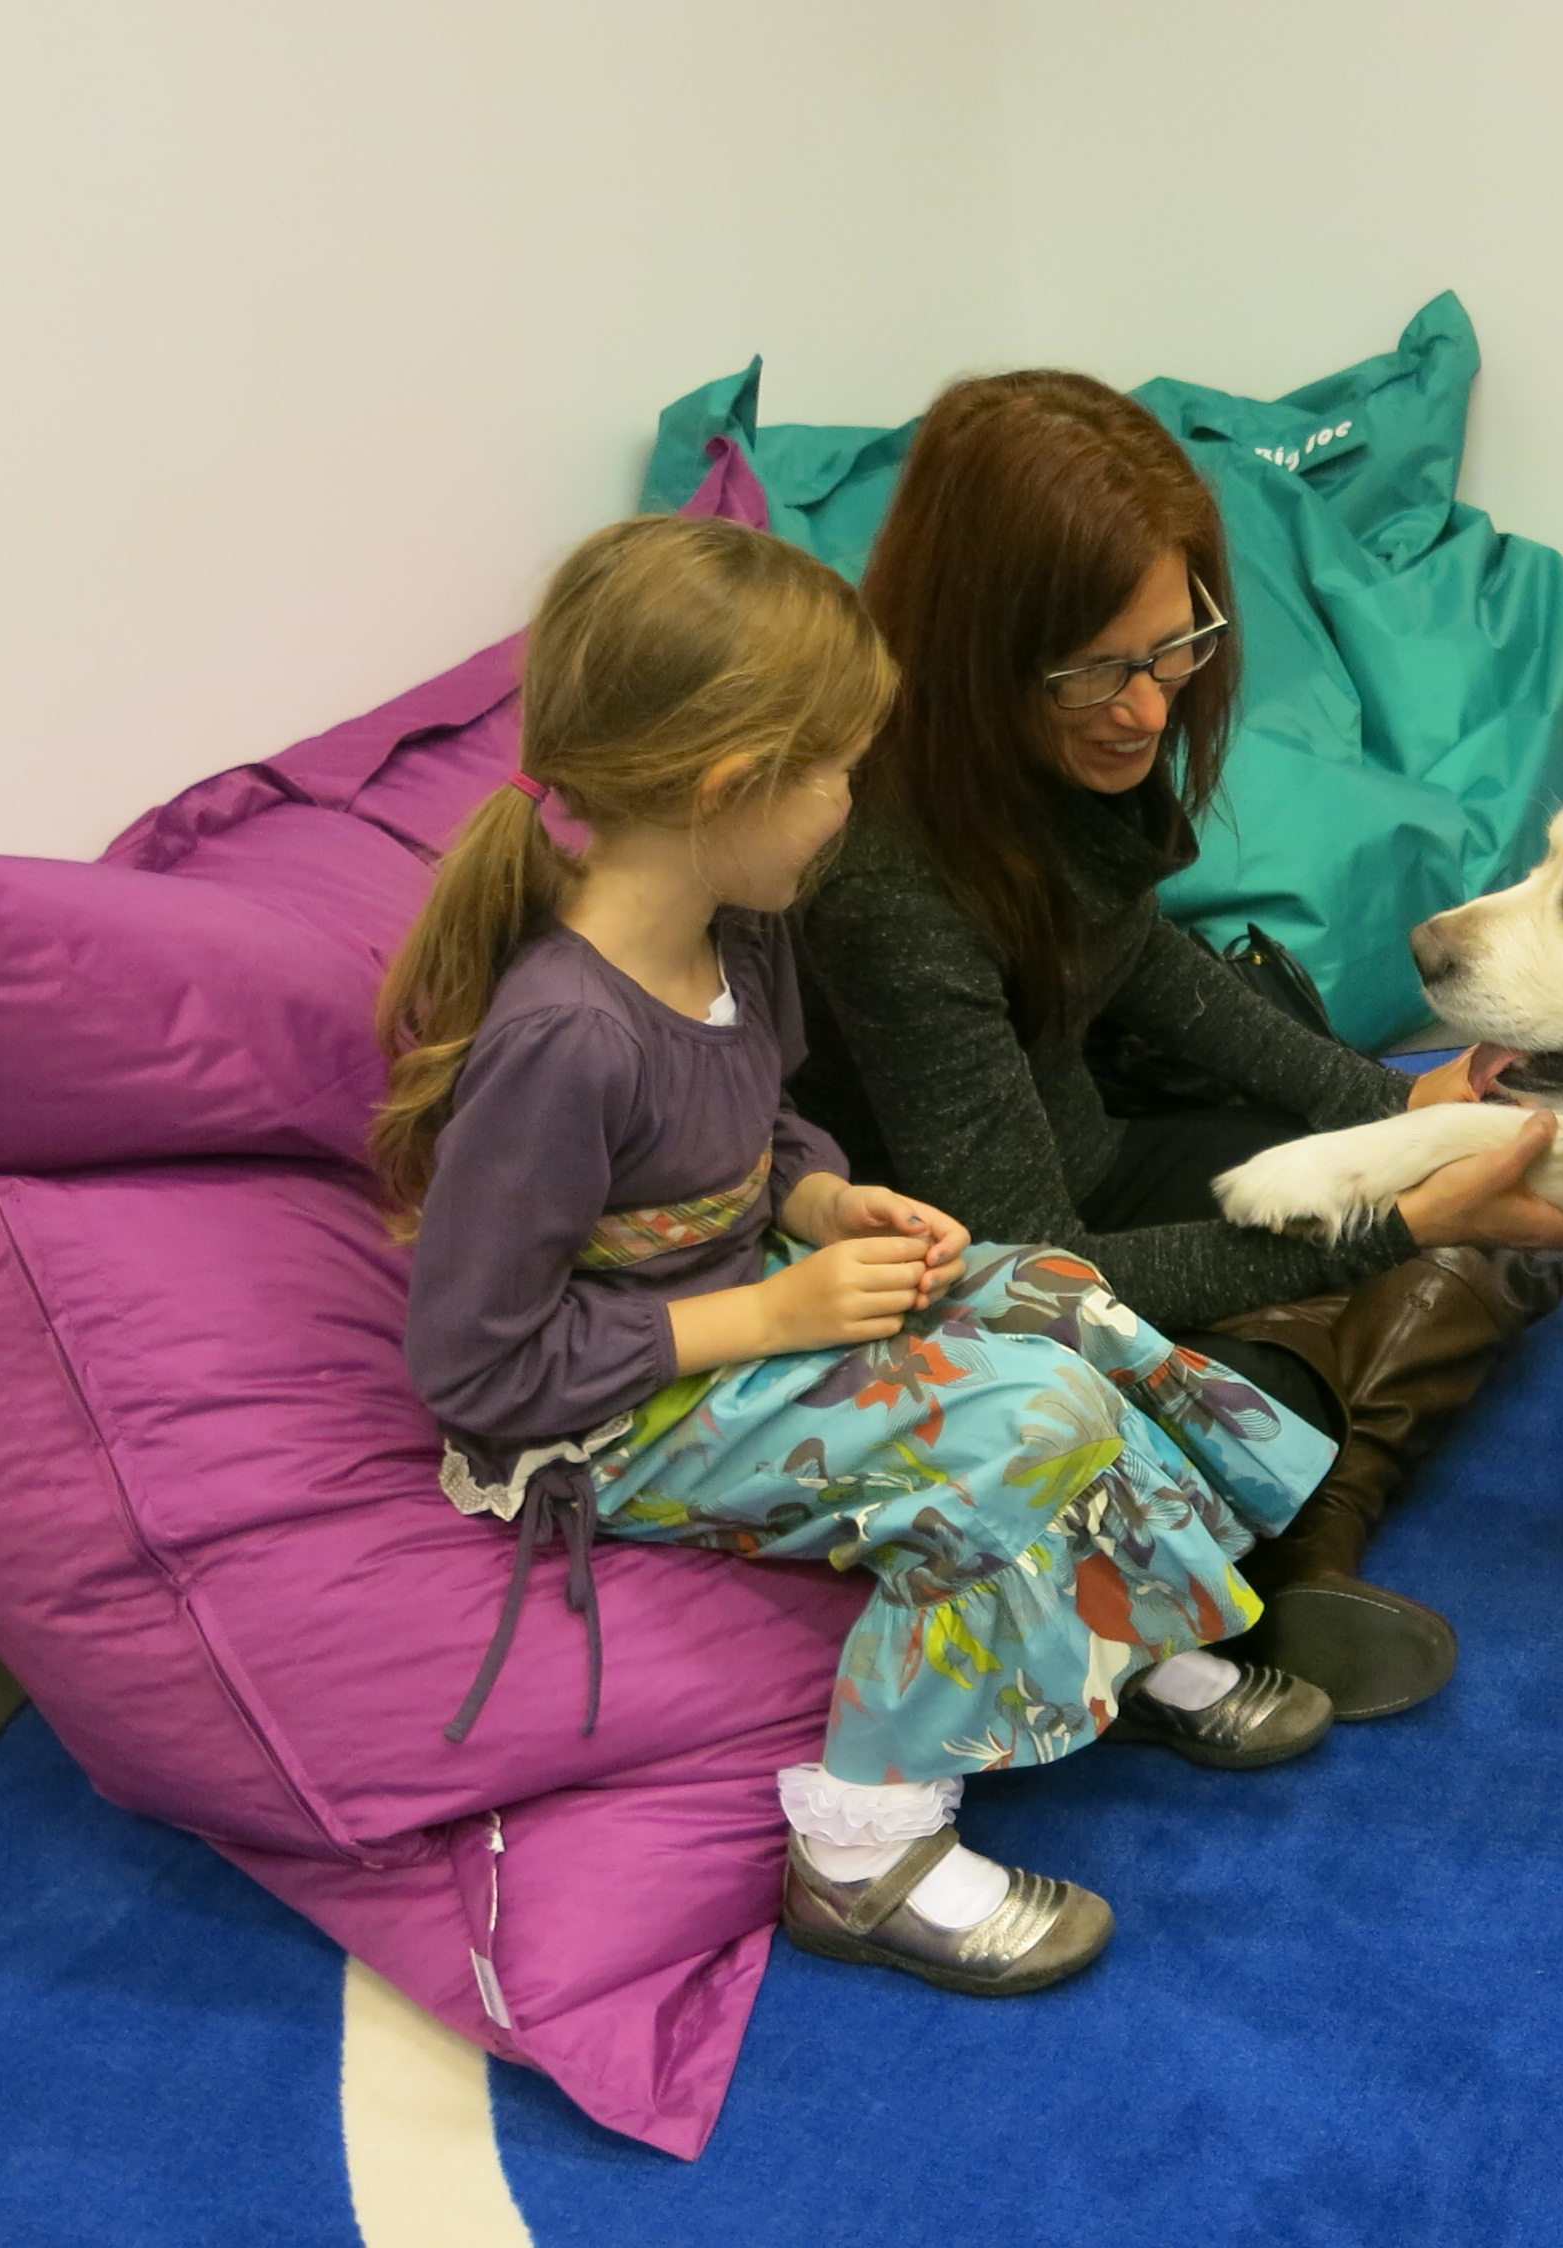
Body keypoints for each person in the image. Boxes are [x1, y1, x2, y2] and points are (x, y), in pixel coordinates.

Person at [376, 513, 1344, 2001]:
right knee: (1028, 1423)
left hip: (748, 1309)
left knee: (1056, 1295)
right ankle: (860, 1848)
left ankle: (1130, 1636)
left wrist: (828, 1206)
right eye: (834, 772)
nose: (852, 805)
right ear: (723, 789)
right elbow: (478, 1364)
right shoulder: (566, 1041)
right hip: (606, 1417)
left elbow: (767, 1136)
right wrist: (772, 1309)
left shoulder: (743, 927)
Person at [789, 371, 1563, 1727]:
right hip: (975, 1282)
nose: (1147, 711)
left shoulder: (1069, 742)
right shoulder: (887, 882)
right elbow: (1024, 1268)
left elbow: (1143, 959)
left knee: (1488, 1215)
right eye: (1094, 669)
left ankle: (1299, 1524)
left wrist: (1393, 1108)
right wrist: (1389, 1218)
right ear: (974, 646)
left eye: (1175, 649)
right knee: (1405, 1256)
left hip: (1091, 1167)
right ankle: (1283, 1527)